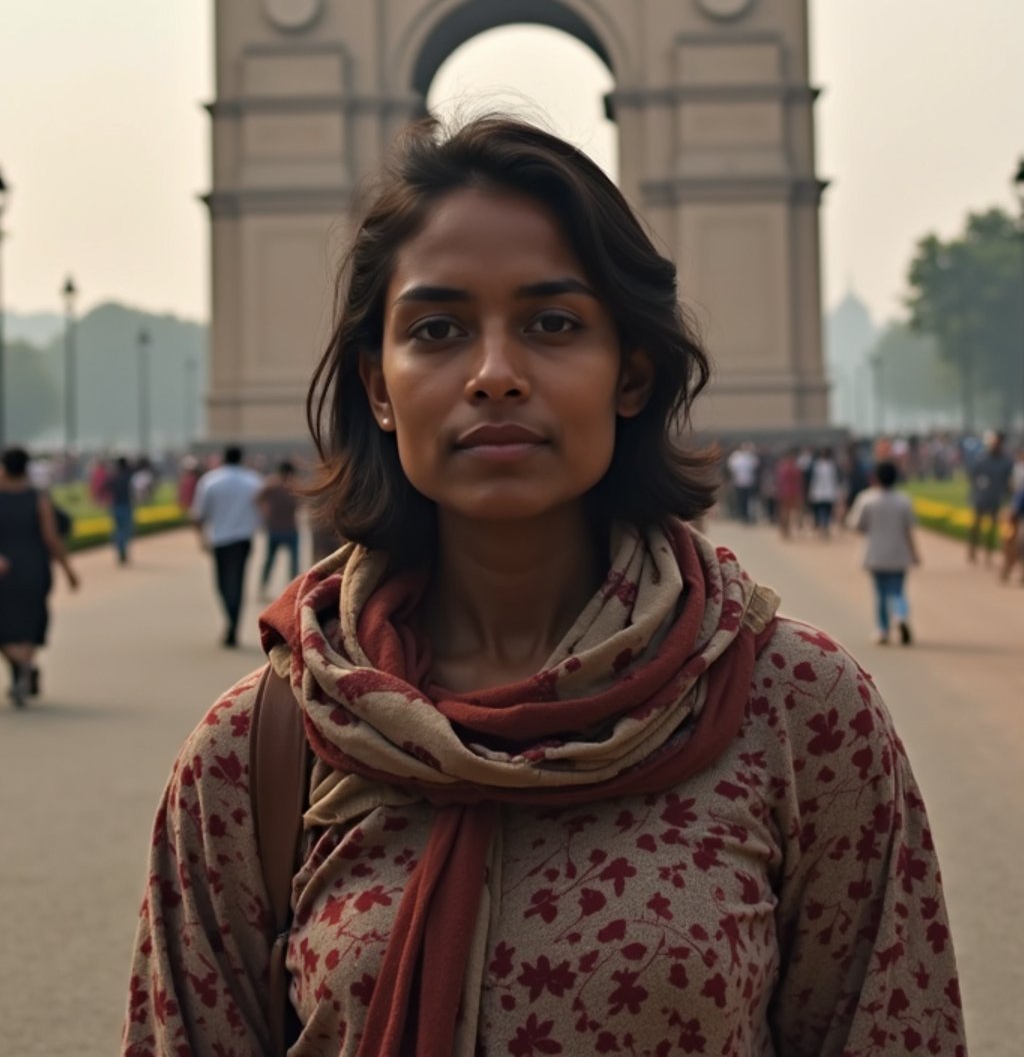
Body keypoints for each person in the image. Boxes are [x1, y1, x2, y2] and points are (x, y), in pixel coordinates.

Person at [123, 116, 964, 1057]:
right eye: (437, 329)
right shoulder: (257, 749)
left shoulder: (799, 710)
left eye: (552, 323)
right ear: (378, 386)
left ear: (632, 372)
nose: (494, 375)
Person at [0, 445, 79, 706]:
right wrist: (68, 571)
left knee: (6, 627)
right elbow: (51, 538)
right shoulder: (38, 498)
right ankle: (26, 665)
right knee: (32, 623)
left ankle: (21, 667)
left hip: (5, 570)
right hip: (34, 567)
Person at [191, 445, 264, 647]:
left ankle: (230, 622)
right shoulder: (253, 481)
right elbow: (261, 511)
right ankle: (234, 623)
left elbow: (198, 514)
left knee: (222, 584)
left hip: (220, 539)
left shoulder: (210, 480)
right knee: (238, 583)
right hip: (243, 539)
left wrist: (201, 539)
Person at [846, 460, 921, 645]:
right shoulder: (904, 500)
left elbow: (856, 526)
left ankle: (882, 629)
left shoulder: (867, 499)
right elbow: (909, 530)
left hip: (876, 552)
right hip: (899, 552)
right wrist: (915, 553)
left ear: (875, 478)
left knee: (880, 592)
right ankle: (900, 615)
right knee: (897, 590)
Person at [968, 430, 1014, 564]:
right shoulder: (982, 458)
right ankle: (973, 550)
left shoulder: (1006, 461)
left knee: (993, 527)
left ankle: (988, 553)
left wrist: (1008, 495)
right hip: (981, 495)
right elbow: (974, 475)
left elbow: (1008, 480)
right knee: (976, 524)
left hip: (996, 496)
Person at [257, 459, 301, 592]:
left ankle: (291, 588)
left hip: (283, 528)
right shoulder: (275, 485)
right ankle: (265, 586)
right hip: (282, 528)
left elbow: (258, 500)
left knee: (284, 562)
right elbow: (258, 499)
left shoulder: (276, 485)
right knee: (274, 560)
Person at [807, 445, 840, 536]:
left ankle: (825, 526)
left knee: (828, 511)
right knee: (820, 510)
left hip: (829, 492)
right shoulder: (816, 465)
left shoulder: (832, 465)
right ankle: (822, 526)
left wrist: (836, 492)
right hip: (818, 492)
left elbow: (834, 480)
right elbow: (813, 480)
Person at [108, 456, 135, 565]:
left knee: (118, 529)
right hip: (125, 506)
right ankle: (122, 549)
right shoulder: (127, 475)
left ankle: (120, 549)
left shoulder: (114, 476)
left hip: (115, 506)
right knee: (125, 530)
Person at [726, 439, 758, 522]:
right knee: (741, 499)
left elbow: (755, 468)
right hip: (739, 482)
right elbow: (732, 470)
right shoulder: (736, 457)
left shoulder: (751, 457)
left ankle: (748, 515)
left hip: (749, 483)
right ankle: (742, 515)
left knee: (749, 500)